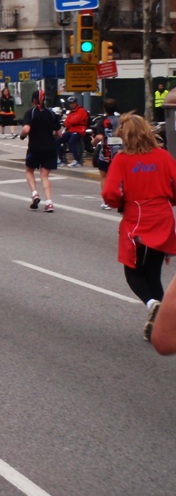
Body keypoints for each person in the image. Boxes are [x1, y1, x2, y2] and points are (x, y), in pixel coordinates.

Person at [102, 113, 176, 341]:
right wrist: (171, 199)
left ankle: (152, 304)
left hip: (137, 218)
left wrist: (119, 203)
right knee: (153, 273)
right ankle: (163, 326)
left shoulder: (122, 160)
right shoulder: (163, 156)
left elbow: (109, 193)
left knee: (133, 272)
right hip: (162, 217)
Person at [20, 89, 61, 213]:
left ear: (33, 100)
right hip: (49, 148)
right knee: (45, 176)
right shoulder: (51, 113)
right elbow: (59, 133)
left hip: (35, 148)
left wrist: (21, 136)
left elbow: (26, 129)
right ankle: (49, 202)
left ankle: (35, 194)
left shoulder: (30, 113)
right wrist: (52, 135)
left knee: (29, 170)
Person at [92, 98, 122, 210]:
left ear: (104, 109)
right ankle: (121, 197)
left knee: (104, 177)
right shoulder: (121, 120)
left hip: (106, 153)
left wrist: (93, 142)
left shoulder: (103, 121)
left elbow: (99, 136)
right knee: (119, 177)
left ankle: (107, 201)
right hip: (120, 152)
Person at [57, 96, 89, 167]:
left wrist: (70, 122)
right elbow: (66, 123)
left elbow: (76, 120)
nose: (71, 104)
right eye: (70, 103)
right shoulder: (71, 112)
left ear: (76, 103)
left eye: (73, 103)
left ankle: (76, 161)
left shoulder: (81, 110)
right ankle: (61, 159)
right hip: (71, 130)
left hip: (79, 130)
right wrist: (70, 122)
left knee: (72, 141)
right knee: (58, 141)